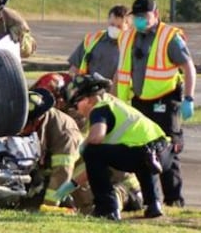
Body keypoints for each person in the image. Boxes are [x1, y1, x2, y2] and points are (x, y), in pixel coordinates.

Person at [113, 0, 196, 208]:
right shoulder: (128, 36)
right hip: (140, 103)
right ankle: (153, 199)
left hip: (166, 102)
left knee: (168, 149)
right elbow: (120, 71)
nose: (139, 20)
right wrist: (113, 99)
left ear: (156, 15)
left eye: (144, 16)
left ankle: (173, 199)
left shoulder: (169, 37)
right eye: (136, 17)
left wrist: (189, 97)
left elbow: (188, 67)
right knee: (143, 151)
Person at [28, 72, 143, 215]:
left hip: (124, 185)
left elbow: (66, 165)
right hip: (103, 172)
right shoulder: (70, 116)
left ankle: (107, 206)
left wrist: (50, 205)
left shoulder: (82, 119)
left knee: (74, 174)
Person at [67, 73, 170, 220]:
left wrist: (83, 147)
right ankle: (154, 205)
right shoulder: (114, 103)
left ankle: (107, 209)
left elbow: (97, 137)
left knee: (92, 152)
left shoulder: (99, 108)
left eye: (76, 104)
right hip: (162, 151)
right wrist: (72, 185)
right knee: (145, 163)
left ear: (87, 99)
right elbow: (92, 169)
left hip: (143, 152)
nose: (76, 110)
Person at [19, 87, 82, 210]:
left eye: (24, 125)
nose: (20, 130)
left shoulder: (64, 133)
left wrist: (49, 205)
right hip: (46, 175)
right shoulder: (33, 123)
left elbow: (62, 171)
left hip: (74, 179)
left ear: (36, 120)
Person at [68, 5, 129, 80]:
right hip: (89, 88)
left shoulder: (130, 46)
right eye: (112, 25)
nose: (115, 29)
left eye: (119, 27)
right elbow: (74, 68)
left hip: (114, 90)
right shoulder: (92, 40)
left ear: (128, 26)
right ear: (108, 20)